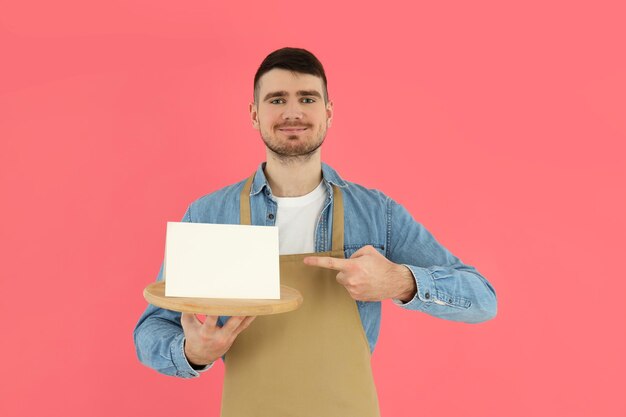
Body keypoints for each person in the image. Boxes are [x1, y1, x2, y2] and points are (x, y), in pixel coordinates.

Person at [134, 47, 497, 416]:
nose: (293, 112)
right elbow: (150, 331)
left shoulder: (376, 214)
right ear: (255, 115)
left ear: (328, 112)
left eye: (307, 98)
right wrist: (192, 353)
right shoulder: (210, 215)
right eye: (277, 99)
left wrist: (400, 282)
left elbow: (483, 299)